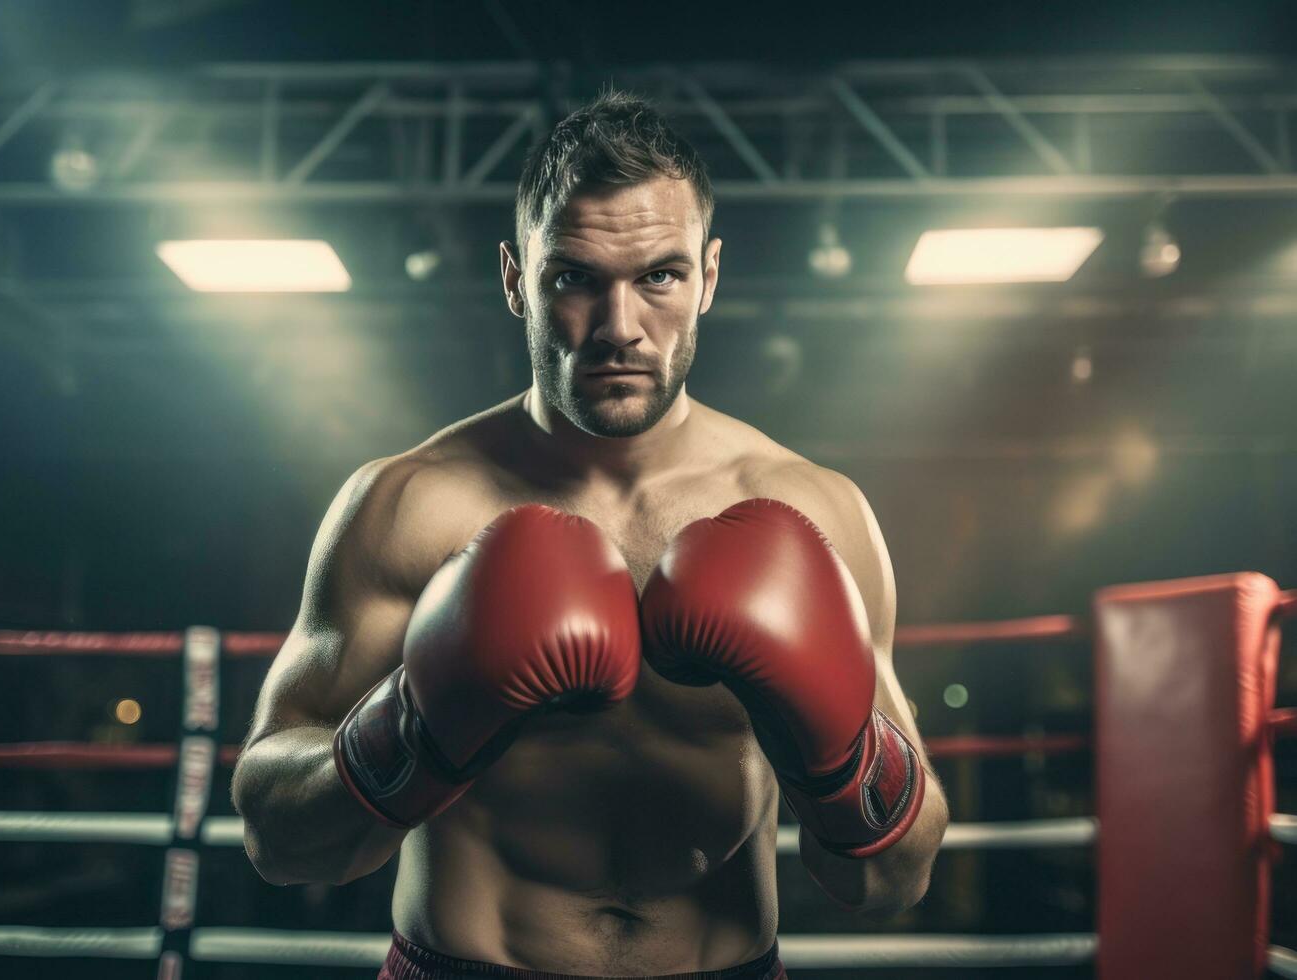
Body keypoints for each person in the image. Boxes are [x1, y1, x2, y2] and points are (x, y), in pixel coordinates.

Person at [232, 90, 948, 979]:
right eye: (573, 277)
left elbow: (892, 879)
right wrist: (417, 728)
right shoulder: (408, 506)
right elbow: (277, 838)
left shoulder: (817, 511)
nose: (620, 328)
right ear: (513, 279)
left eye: (660, 275)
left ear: (709, 276)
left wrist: (843, 762)